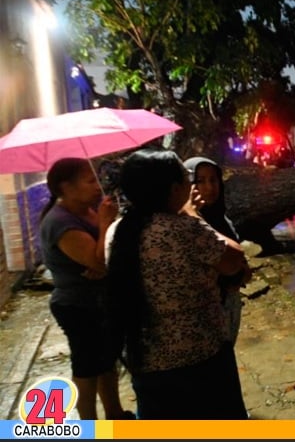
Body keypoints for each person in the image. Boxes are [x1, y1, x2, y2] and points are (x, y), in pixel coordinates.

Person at [105, 149, 250, 419]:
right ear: (173, 190)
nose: (194, 186)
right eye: (187, 179)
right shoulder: (182, 228)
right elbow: (234, 260)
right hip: (200, 358)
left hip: (146, 361)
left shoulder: (117, 231)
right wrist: (192, 214)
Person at [38, 158, 134, 420]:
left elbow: (102, 258)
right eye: (89, 180)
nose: (97, 185)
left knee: (106, 361)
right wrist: (104, 226)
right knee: (87, 367)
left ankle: (114, 413)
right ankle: (88, 424)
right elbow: (98, 260)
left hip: (98, 299)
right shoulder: (60, 223)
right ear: (66, 188)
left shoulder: (88, 209)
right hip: (77, 305)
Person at [183, 157, 253, 346]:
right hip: (204, 313)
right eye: (200, 181)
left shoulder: (222, 218)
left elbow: (240, 265)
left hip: (229, 305)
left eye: (213, 180)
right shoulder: (185, 224)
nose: (209, 187)